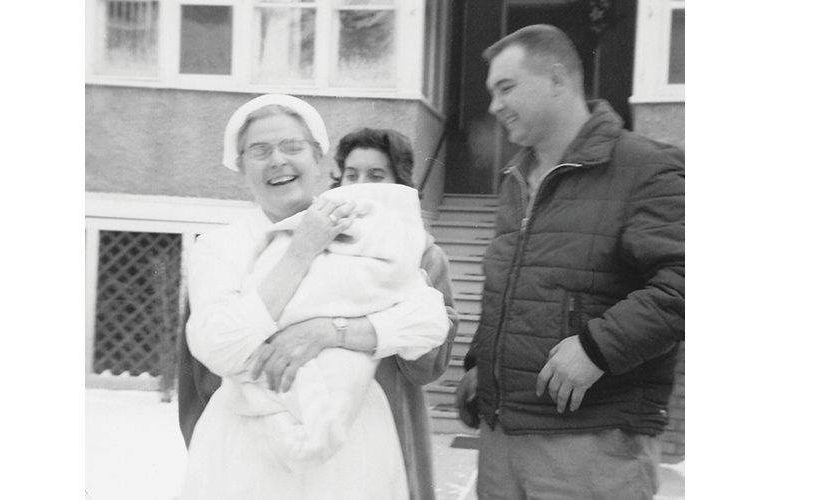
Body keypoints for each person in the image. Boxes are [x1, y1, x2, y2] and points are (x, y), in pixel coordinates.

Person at [178, 94, 450, 500]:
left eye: (292, 147)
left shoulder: (360, 227)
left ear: (319, 157)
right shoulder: (220, 248)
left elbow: (427, 324)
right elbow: (220, 347)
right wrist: (302, 249)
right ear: (240, 164)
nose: (278, 160)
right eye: (260, 150)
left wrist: (332, 331)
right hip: (251, 454)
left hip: (354, 448)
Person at [454, 25, 685, 500]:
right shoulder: (516, 180)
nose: (494, 105)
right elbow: (509, 288)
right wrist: (482, 362)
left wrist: (597, 349)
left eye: (506, 87)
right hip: (500, 442)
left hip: (591, 448)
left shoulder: (646, 167)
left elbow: (684, 282)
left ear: (557, 79)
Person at [332, 128, 460, 500]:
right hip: (325, 412)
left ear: (398, 184)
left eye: (376, 175)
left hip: (391, 413)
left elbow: (427, 368)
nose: (361, 186)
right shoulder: (317, 244)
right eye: (352, 175)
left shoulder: (427, 256)